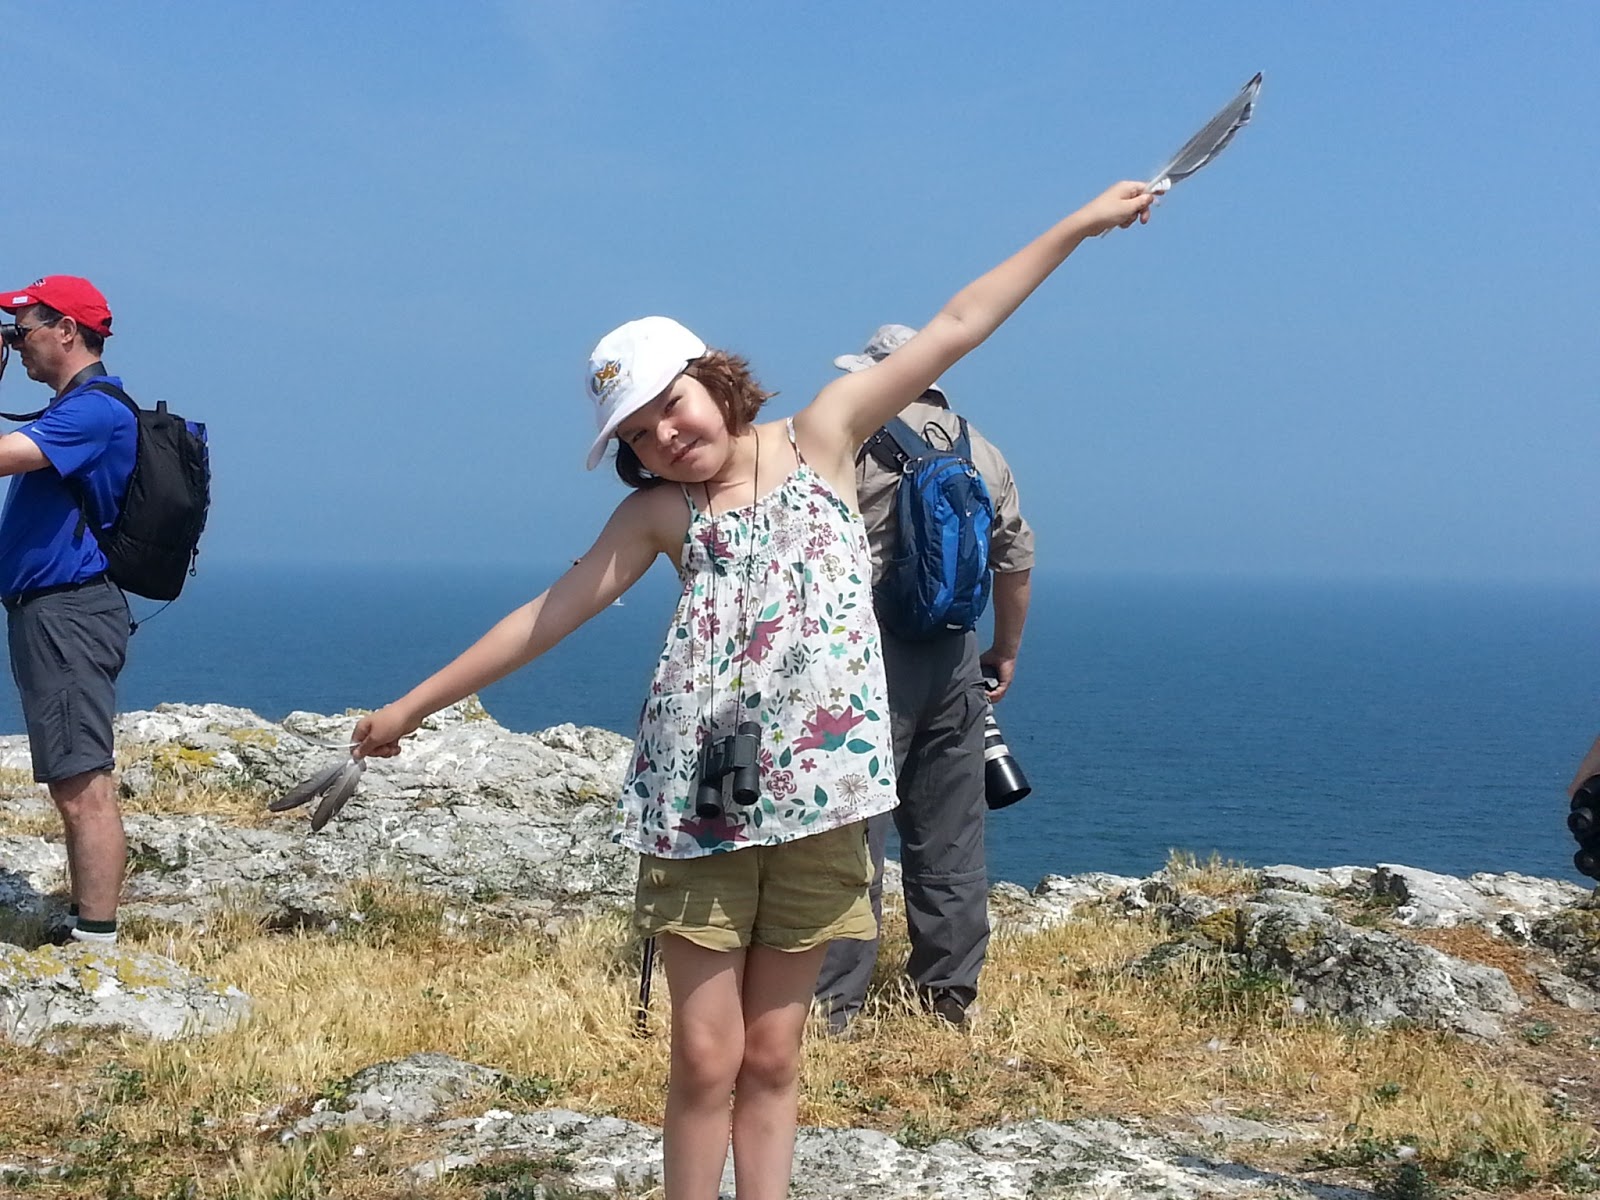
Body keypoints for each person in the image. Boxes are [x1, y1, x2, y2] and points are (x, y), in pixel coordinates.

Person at [352, 180, 1154, 1200]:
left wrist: (1080, 224)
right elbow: (547, 615)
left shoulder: (824, 435)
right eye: (637, 433)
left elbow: (959, 323)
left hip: (822, 806)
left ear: (714, 379)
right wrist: (411, 708)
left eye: (670, 404)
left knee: (775, 1057)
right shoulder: (660, 514)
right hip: (702, 809)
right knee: (704, 1057)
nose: (663, 436)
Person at [813, 322, 1033, 1032]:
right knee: (951, 837)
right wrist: (1005, 649)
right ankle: (948, 996)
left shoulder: (849, 439)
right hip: (955, 652)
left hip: (866, 652)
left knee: (850, 834)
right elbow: (1016, 558)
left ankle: (832, 1005)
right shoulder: (980, 449)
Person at [0, 276, 136, 946]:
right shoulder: (74, 409)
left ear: (65, 330)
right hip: (54, 610)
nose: (14, 343)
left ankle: (96, 943)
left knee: (82, 780)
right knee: (70, 775)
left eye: (20, 330)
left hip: (69, 612)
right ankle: (89, 925)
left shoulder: (92, 413)